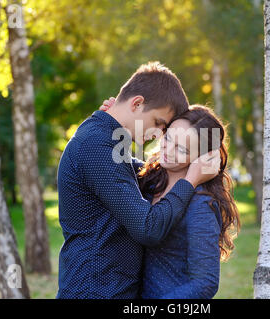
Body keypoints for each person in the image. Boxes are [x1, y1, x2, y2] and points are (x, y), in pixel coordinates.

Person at [56, 62, 219, 299]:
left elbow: (143, 172)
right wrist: (191, 179)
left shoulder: (105, 140)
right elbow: (148, 229)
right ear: (137, 103)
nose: (158, 135)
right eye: (158, 123)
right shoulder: (97, 146)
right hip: (93, 292)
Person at [136, 104, 241, 298]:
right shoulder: (149, 180)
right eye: (168, 138)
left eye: (182, 149)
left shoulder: (201, 204)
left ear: (201, 157)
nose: (168, 149)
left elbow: (205, 283)